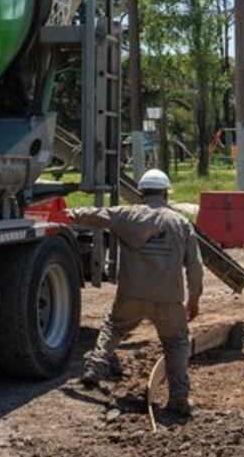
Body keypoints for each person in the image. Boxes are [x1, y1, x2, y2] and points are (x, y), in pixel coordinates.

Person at [69, 169, 204, 417]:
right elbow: (195, 267)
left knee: (114, 327)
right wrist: (193, 299)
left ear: (142, 193)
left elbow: (95, 215)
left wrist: (69, 214)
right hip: (168, 299)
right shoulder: (181, 223)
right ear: (166, 194)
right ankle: (178, 401)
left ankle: (95, 368)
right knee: (176, 343)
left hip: (130, 295)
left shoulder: (127, 215)